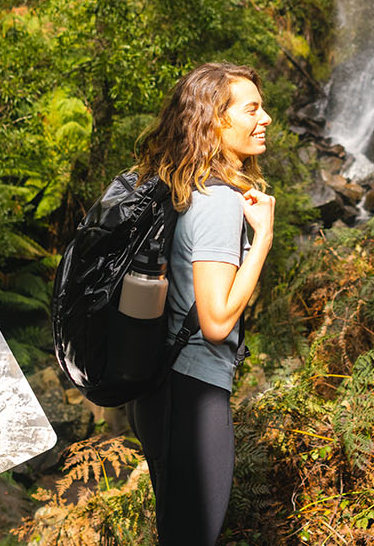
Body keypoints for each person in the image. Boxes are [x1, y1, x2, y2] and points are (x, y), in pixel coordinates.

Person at [128, 62, 275, 546]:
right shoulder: (217, 202)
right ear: (215, 120)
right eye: (252, 108)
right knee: (195, 533)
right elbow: (215, 321)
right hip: (190, 390)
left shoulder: (179, 184)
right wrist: (263, 241)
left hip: (163, 384)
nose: (266, 117)